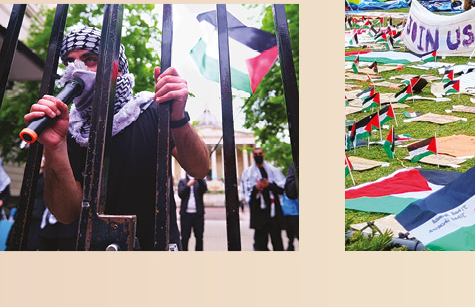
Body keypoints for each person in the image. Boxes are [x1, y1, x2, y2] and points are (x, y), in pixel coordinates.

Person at [21, 25, 211, 250]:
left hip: (155, 246)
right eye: (70, 63)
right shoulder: (70, 128)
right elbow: (65, 213)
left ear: (117, 67)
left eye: (90, 59)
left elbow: (199, 169)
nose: (78, 70)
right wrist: (54, 147)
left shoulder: (151, 110)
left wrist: (178, 117)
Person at [240, 148, 294, 251]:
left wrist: (269, 185)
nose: (258, 156)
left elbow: (282, 189)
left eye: (260, 153)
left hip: (273, 212)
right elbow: (245, 193)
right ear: (253, 156)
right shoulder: (248, 173)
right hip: (259, 214)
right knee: (260, 243)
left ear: (263, 155)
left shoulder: (273, 170)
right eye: (256, 154)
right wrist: (256, 188)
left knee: (277, 241)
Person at [177, 173, 208, 251]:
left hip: (198, 214)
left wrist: (199, 177)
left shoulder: (200, 181)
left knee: (199, 237)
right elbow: (180, 194)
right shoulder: (183, 181)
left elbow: (204, 189)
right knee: (185, 237)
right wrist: (188, 186)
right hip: (186, 214)